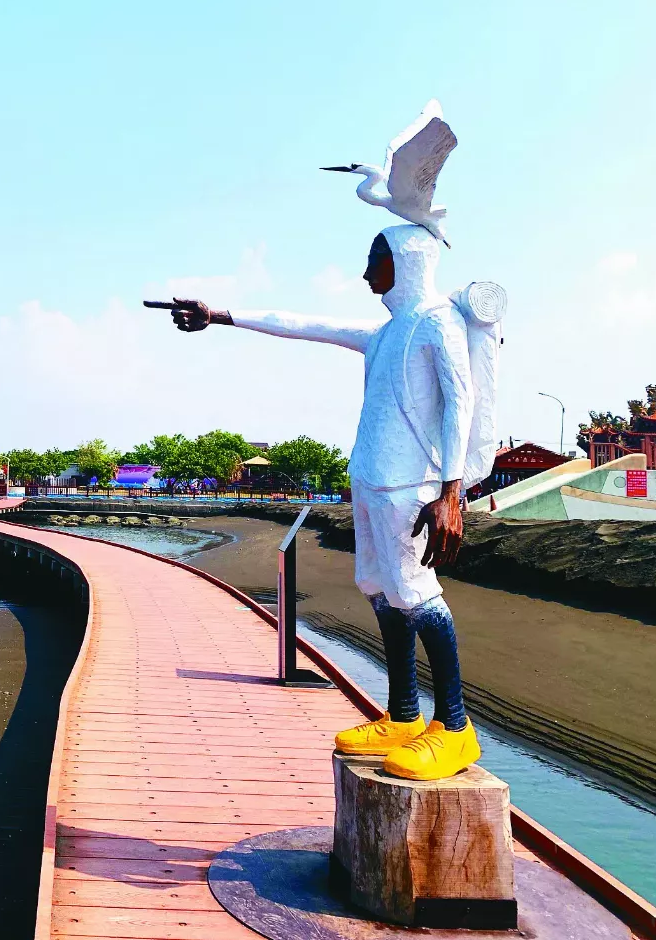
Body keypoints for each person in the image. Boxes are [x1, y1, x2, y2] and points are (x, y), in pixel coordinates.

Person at [165, 224, 480, 781]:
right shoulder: (384, 333)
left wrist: (451, 493)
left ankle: (455, 728)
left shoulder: (438, 322)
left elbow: (462, 402)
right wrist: (220, 316)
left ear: (404, 259)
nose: (365, 273)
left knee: (416, 592)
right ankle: (403, 715)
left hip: (411, 485)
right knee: (380, 587)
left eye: (375, 259)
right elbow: (303, 325)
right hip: (371, 482)